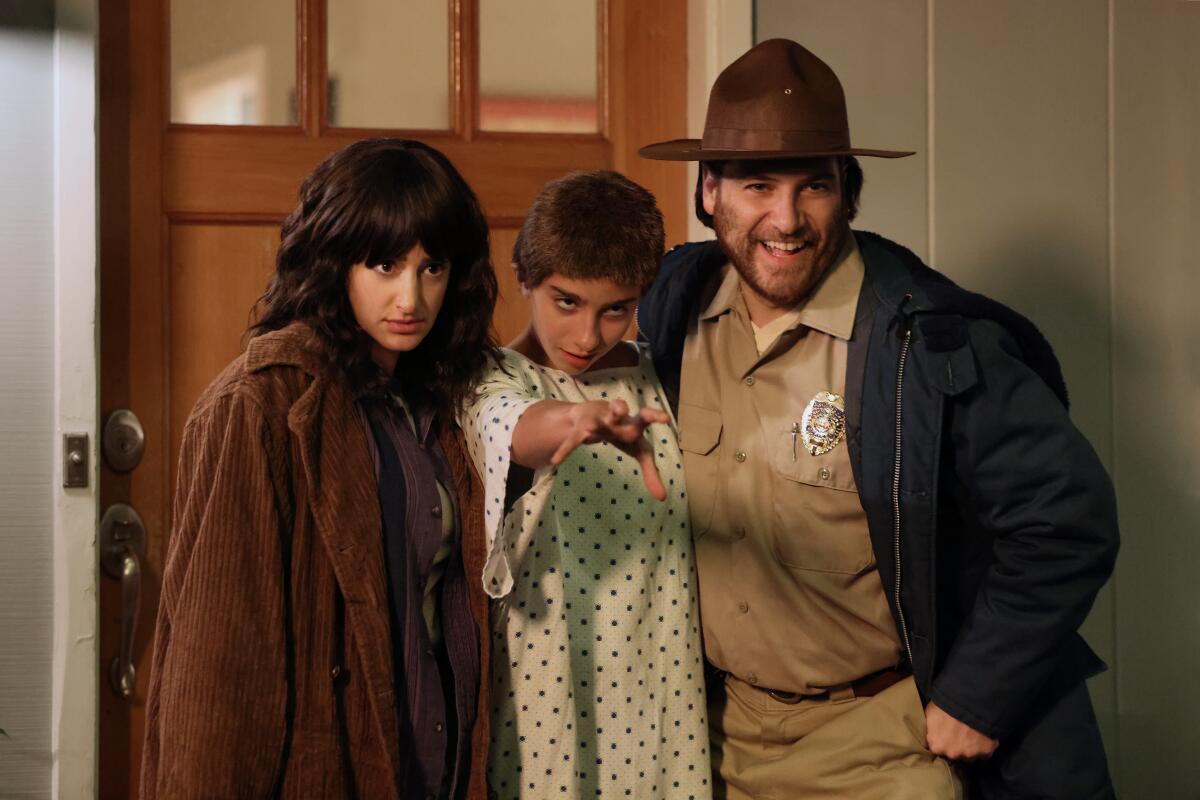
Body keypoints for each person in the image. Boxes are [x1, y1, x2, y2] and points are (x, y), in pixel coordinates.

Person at [636, 39, 1119, 800]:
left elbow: (1068, 517)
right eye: (758, 185)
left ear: (849, 195)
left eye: (814, 187)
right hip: (710, 739)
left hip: (881, 749)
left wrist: (976, 694)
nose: (786, 219)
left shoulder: (929, 343)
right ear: (708, 193)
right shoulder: (671, 307)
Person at [141, 138, 500, 799]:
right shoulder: (264, 403)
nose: (410, 297)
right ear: (335, 263)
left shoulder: (449, 399)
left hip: (440, 768)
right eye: (384, 264)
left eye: (432, 268)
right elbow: (217, 668)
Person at [460, 171, 712, 799]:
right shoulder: (487, 381)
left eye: (615, 311)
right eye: (566, 301)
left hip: (662, 695)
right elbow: (514, 427)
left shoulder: (657, 379)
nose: (586, 336)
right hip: (545, 705)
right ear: (524, 276)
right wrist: (577, 418)